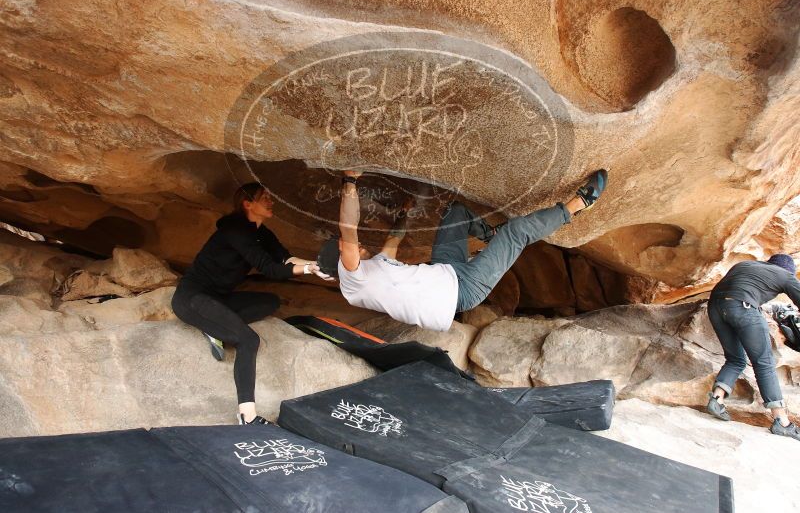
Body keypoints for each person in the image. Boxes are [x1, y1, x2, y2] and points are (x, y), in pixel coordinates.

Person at [317, 169, 607, 333]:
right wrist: (350, 180)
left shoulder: (371, 271)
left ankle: (488, 234)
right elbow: (348, 227)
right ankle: (578, 205)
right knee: (516, 233)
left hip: (447, 267)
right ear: (342, 261)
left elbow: (394, 240)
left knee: (456, 213)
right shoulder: (354, 282)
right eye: (349, 249)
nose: (359, 247)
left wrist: (404, 213)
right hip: (464, 290)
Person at [172, 182, 330, 425]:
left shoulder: (261, 233)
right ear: (248, 204)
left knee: (270, 301)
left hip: (219, 299)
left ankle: (214, 327)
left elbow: (285, 258)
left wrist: (316, 266)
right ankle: (247, 415)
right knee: (248, 340)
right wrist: (307, 269)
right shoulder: (235, 231)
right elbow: (270, 269)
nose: (271, 201)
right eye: (264, 197)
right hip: (192, 299)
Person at [705, 254, 800, 440]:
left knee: (735, 359)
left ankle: (717, 399)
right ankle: (781, 421)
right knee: (764, 362)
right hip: (743, 307)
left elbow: (739, 288)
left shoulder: (746, 265)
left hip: (715, 307)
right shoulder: (785, 275)